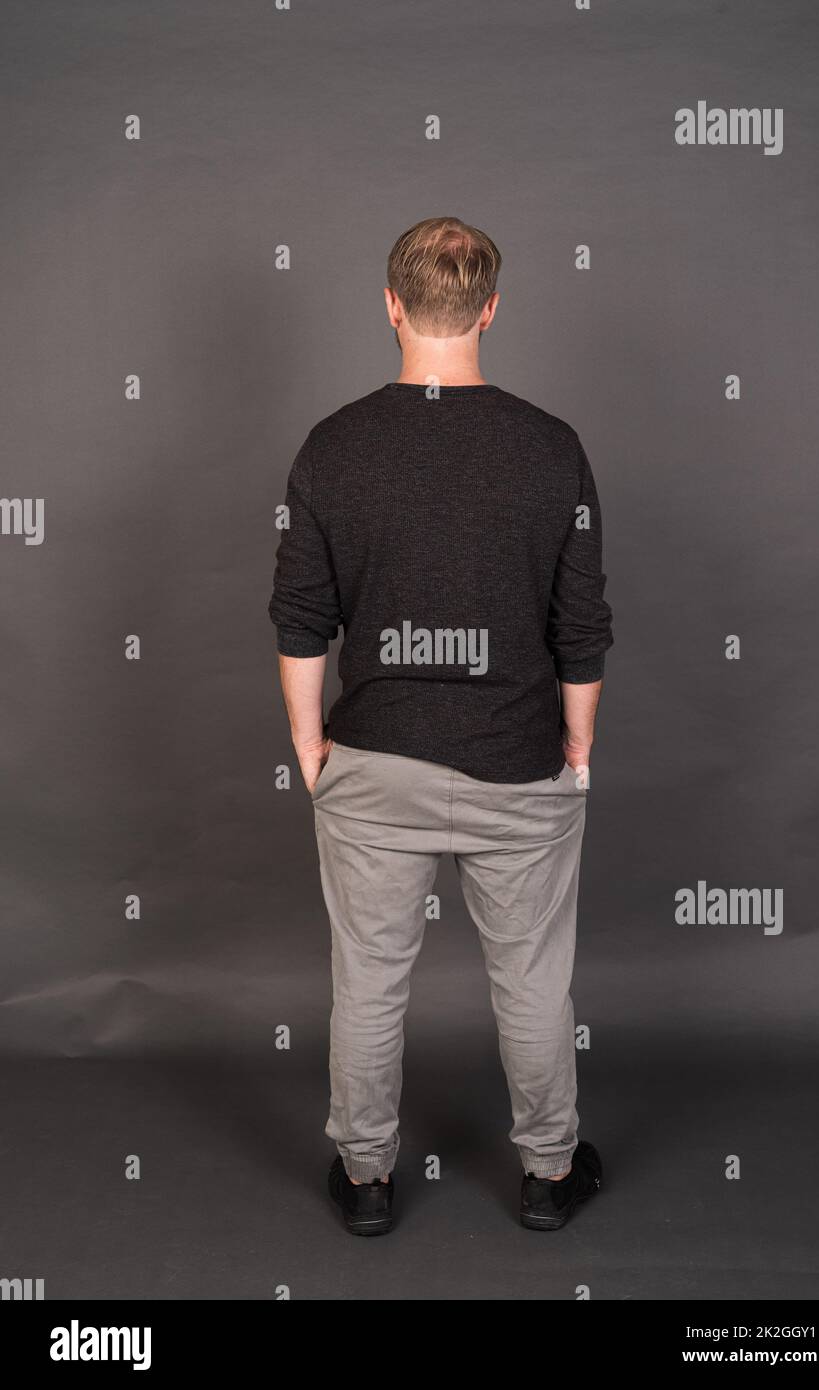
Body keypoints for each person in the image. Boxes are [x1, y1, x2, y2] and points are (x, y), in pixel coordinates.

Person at [268, 216, 612, 1235]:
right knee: (535, 981)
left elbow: (300, 621)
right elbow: (581, 626)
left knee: (367, 982)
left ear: (391, 303)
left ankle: (366, 1180)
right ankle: (550, 1175)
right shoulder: (553, 448)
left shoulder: (333, 447)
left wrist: (307, 747)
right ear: (490, 307)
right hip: (521, 764)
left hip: (373, 764)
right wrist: (579, 747)